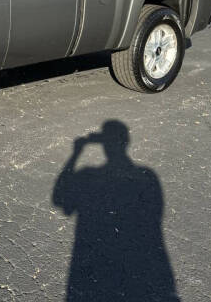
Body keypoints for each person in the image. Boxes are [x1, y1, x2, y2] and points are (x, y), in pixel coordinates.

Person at [52, 120, 179, 301]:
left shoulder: (87, 175)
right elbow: (154, 215)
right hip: (144, 257)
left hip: (93, 258)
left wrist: (75, 153)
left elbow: (60, 200)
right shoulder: (148, 175)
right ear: (126, 142)